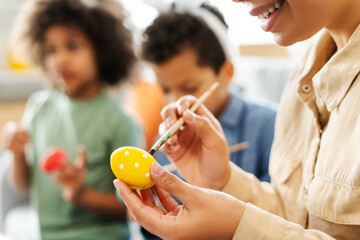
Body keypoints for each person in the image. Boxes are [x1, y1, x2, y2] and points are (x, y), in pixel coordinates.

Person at [114, 0, 360, 239]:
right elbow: (295, 216)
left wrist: (237, 228)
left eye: (189, 85)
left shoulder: (265, 119)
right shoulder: (303, 77)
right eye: (165, 89)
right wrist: (224, 182)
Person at [1, 0, 143, 239]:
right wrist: (16, 153)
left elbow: (136, 206)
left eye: (73, 46)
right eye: (51, 50)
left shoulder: (121, 121)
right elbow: (23, 186)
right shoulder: (39, 106)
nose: (60, 60)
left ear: (103, 49)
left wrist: (81, 194)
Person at [142, 2, 277, 182]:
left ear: (227, 72)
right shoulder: (168, 138)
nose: (174, 100)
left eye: (190, 88)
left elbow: (282, 205)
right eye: (165, 89)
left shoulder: (270, 125)